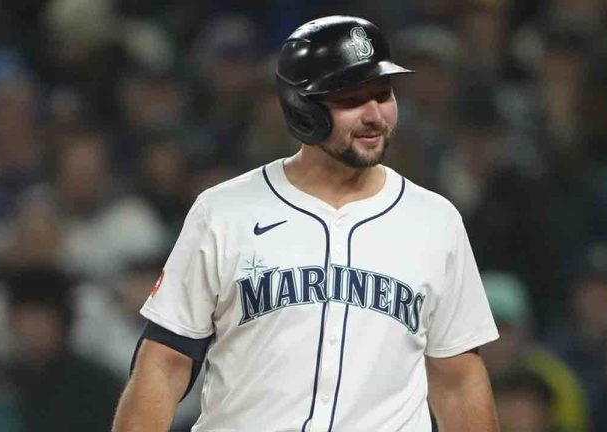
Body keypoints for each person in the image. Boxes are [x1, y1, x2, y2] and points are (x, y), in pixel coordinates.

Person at [113, 15, 500, 432]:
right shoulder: (224, 211)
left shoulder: (434, 221)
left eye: (382, 94)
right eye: (352, 99)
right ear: (303, 107)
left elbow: (458, 382)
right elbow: (164, 364)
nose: (375, 115)